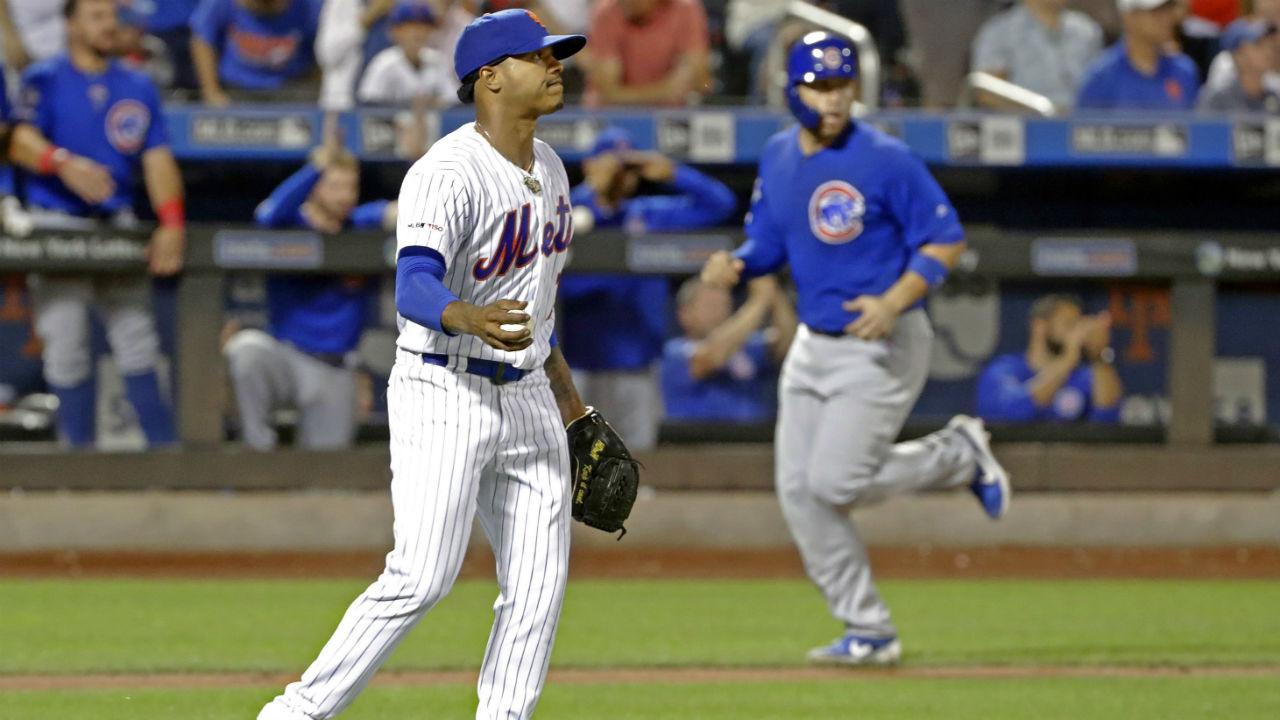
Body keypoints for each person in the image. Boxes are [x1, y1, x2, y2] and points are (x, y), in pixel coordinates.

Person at [258, 9, 592, 719]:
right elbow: (414, 283)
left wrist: (571, 406)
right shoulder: (445, 171)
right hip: (445, 385)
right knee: (422, 575)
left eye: (556, 56)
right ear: (491, 79)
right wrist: (466, 315)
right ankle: (296, 713)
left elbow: (540, 309)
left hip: (529, 393)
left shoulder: (555, 171)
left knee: (539, 586)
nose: (556, 66)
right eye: (539, 58)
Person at [699, 32, 1011, 667]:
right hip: (815, 344)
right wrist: (735, 264)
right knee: (798, 493)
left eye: (842, 86)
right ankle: (868, 630)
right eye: (820, 85)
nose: (834, 99)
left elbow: (945, 238)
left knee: (834, 483)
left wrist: (895, 300)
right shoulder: (781, 154)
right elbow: (767, 240)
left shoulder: (884, 157)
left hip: (883, 340)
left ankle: (957, 454)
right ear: (792, 89)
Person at [9, 0, 184, 449]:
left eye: (112, 16)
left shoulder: (137, 84)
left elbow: (157, 158)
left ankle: (164, 462)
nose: (109, 25)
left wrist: (172, 221)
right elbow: (18, 141)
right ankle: (78, 462)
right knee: (66, 348)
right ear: (71, 23)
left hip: (117, 225)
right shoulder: (44, 77)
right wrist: (62, 163)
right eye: (97, 16)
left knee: (138, 343)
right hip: (56, 225)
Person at [558, 126, 736, 450]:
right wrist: (593, 195)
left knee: (639, 461)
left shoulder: (648, 214)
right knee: (574, 462)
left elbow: (720, 204)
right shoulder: (569, 210)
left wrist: (672, 173)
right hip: (580, 364)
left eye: (628, 167)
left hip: (637, 365)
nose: (620, 174)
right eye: (611, 163)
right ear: (587, 165)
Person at [224, 136, 394, 450]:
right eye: (335, 186)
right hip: (285, 358)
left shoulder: (359, 225)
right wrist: (317, 167)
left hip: (335, 369)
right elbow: (267, 214)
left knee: (328, 474)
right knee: (245, 350)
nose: (346, 196)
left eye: (351, 186)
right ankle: (257, 450)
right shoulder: (290, 223)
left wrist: (421, 162)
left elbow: (400, 212)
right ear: (314, 187)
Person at [661, 274, 796, 424]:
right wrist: (759, 301)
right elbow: (713, 357)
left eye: (724, 304)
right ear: (684, 314)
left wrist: (774, 294)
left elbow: (788, 344)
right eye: (711, 305)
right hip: (698, 443)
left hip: (754, 440)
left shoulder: (748, 346)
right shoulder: (675, 352)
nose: (719, 312)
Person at [977, 294, 1123, 423]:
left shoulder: (1080, 375)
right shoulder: (1003, 370)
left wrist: (1098, 356)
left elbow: (1108, 414)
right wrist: (1067, 360)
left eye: (1079, 325)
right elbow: (1015, 411)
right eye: (1069, 324)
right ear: (1039, 326)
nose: (1077, 333)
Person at [970, 0, 1104, 110]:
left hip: (1082, 127)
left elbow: (1101, 85)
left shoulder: (1087, 31)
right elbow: (988, 93)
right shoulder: (998, 32)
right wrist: (1040, 111)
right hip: (1027, 129)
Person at [189, 0, 322, 106]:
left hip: (292, 89)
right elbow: (202, 40)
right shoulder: (221, 3)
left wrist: (319, 92)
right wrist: (211, 92)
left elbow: (325, 52)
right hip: (236, 90)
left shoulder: (309, 7)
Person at [1076, 0, 1200, 110]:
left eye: (1167, 10)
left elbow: (1196, 131)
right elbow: (1080, 132)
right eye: (1155, 12)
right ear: (1129, 17)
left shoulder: (1184, 71)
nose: (1166, 19)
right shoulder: (1101, 76)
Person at [582, 0, 711, 106]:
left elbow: (698, 79)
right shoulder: (606, 11)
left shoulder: (685, 8)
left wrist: (676, 87)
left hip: (669, 118)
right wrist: (663, 91)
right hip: (613, 118)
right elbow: (608, 93)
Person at [356, 0, 457, 106]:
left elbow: (454, 102)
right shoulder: (384, 63)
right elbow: (367, 104)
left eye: (423, 27)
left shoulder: (438, 61)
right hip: (390, 122)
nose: (418, 32)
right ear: (395, 31)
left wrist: (436, 103)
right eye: (410, 27)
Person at [1196, 16, 1279, 112]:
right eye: (1258, 44)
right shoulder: (1217, 100)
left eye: (1270, 45)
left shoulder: (1275, 99)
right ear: (1238, 55)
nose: (1268, 51)